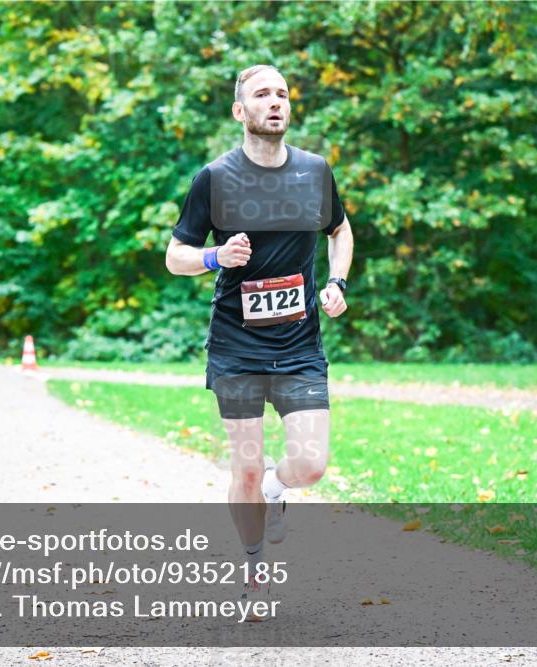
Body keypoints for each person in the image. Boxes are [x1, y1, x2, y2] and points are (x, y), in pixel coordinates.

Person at [164, 64, 353, 619]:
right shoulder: (215, 178)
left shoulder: (315, 172)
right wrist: (216, 257)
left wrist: (337, 282)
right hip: (236, 346)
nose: (275, 102)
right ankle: (253, 571)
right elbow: (175, 257)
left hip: (298, 346)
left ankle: (278, 487)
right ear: (239, 111)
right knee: (242, 468)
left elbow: (340, 230)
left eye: (282, 94)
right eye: (261, 95)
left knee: (311, 464)